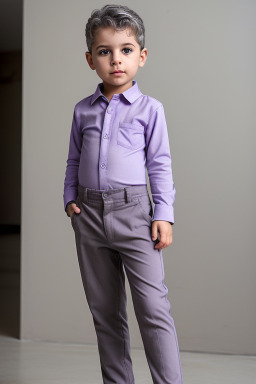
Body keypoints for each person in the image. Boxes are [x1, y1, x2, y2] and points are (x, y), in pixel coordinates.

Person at [63, 4, 183, 384]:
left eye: (126, 50)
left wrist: (163, 213)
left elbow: (160, 164)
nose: (116, 60)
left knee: (153, 310)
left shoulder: (151, 110)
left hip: (135, 216)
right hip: (90, 217)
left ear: (141, 57)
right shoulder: (83, 111)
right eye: (105, 51)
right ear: (90, 59)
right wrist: (70, 198)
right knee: (105, 312)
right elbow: (73, 159)